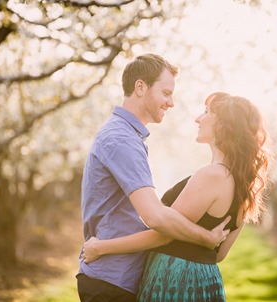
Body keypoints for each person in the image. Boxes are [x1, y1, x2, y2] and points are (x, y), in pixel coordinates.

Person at [82, 92, 273, 301]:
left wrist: (100, 247)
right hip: (206, 280)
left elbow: (163, 234)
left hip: (176, 279)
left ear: (224, 124)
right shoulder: (245, 188)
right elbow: (218, 254)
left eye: (207, 112)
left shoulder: (212, 175)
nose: (198, 119)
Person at [77, 54, 231, 302]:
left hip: (118, 276)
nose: (171, 103)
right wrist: (207, 238)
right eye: (166, 93)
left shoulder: (128, 137)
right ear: (140, 87)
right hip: (111, 281)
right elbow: (155, 216)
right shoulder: (121, 139)